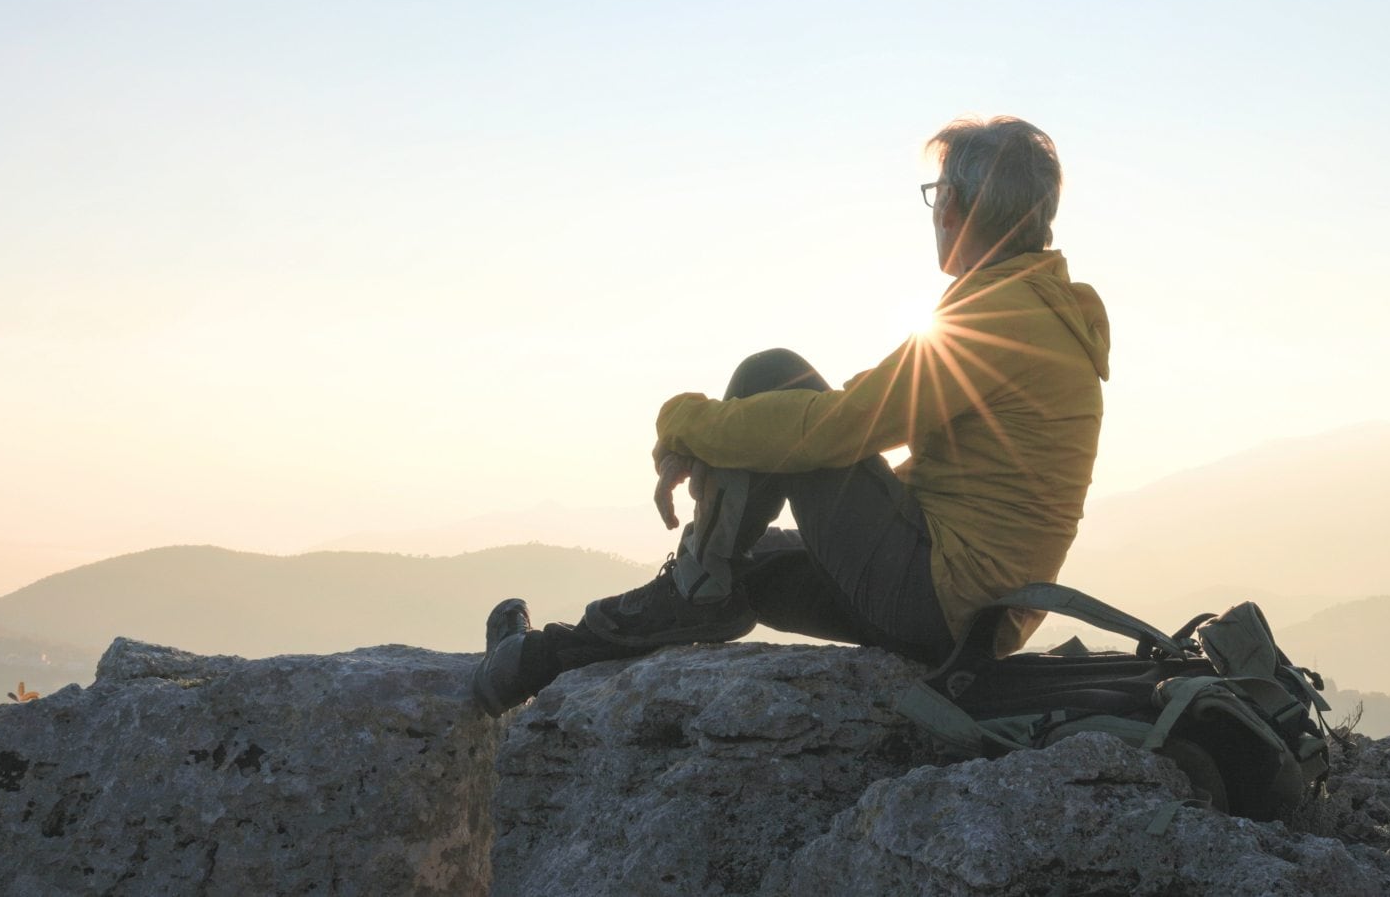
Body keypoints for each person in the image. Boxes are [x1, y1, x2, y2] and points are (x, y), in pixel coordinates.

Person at [471, 115, 1112, 716]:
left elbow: (837, 428)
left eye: (937, 192)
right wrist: (728, 446)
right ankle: (536, 661)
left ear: (960, 206)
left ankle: (686, 590)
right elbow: (879, 396)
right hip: (976, 616)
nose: (934, 209)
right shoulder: (1030, 309)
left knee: (771, 375)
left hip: (940, 599)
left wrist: (685, 422)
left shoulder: (1001, 316)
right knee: (740, 568)